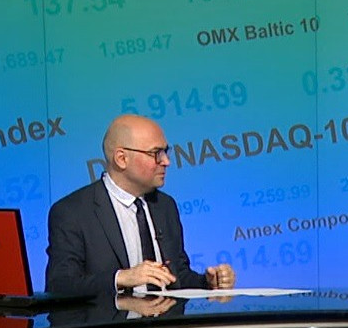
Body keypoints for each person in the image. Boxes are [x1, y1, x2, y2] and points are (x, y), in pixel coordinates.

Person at [45, 114, 235, 296]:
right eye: (156, 153)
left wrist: (207, 282)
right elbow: (60, 285)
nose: (166, 161)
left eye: (166, 152)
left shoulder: (165, 206)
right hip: (111, 319)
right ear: (122, 159)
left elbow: (177, 277)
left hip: (167, 318)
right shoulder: (72, 212)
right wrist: (121, 278)